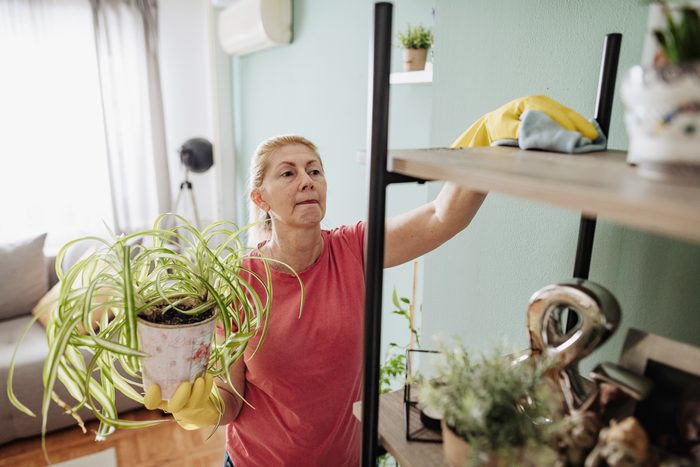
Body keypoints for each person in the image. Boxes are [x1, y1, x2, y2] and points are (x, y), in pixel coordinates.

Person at [144, 97, 601, 466]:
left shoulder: (353, 248)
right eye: (289, 172)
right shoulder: (240, 283)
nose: (307, 180)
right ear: (260, 197)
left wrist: (487, 140)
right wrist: (199, 408)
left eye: (315, 170)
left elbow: (442, 217)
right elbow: (230, 399)